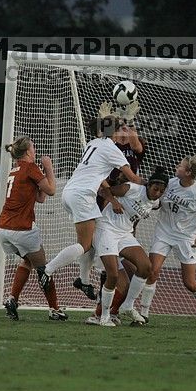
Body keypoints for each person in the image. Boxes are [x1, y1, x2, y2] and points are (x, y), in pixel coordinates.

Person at [37, 113, 144, 297]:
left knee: (94, 239)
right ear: (116, 132)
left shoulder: (93, 144)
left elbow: (100, 177)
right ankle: (47, 270)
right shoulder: (112, 149)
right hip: (82, 196)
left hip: (71, 192)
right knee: (85, 245)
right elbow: (133, 178)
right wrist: (153, 187)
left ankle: (84, 280)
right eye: (121, 129)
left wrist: (111, 198)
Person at [84, 166, 169, 327]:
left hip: (124, 234)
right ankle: (103, 317)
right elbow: (104, 192)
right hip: (106, 229)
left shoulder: (155, 202)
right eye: (155, 189)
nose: (157, 193)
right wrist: (114, 202)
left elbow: (157, 205)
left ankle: (127, 306)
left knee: (145, 267)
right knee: (113, 276)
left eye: (161, 191)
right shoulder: (132, 188)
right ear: (149, 185)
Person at [141, 156, 196, 326]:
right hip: (163, 232)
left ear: (188, 172)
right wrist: (150, 206)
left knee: (189, 282)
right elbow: (157, 200)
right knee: (152, 271)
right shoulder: (170, 183)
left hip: (186, 237)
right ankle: (144, 314)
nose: (177, 167)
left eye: (180, 166)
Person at [0, 136, 67, 321]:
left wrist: (43, 174)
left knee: (27, 261)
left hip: (4, 228)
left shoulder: (15, 170)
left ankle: (12, 299)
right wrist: (49, 167)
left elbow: (40, 197)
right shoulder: (30, 168)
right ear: (28, 151)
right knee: (44, 269)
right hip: (22, 228)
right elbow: (51, 191)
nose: (35, 150)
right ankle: (54, 309)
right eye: (33, 148)